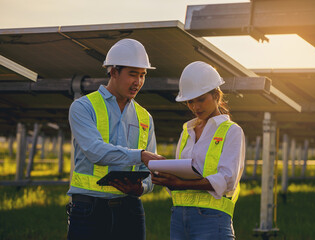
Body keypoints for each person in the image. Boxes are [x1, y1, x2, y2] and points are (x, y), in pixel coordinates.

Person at [66, 38, 165, 240]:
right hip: (89, 206)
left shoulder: (145, 117)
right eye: (132, 74)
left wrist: (142, 187)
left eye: (142, 75)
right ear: (113, 72)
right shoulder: (83, 107)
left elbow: (148, 170)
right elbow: (95, 151)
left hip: (130, 207)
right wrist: (141, 156)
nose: (138, 82)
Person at [152, 61, 245, 240]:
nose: (195, 107)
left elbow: (227, 180)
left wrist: (180, 184)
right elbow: (181, 172)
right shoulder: (187, 131)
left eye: (201, 99)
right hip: (179, 218)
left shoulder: (231, 131)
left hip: (212, 219)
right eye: (190, 102)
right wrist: (166, 177)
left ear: (216, 95)